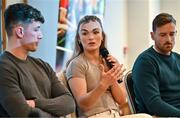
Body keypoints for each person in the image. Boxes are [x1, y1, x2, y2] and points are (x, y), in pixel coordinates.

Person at [66, 15, 152, 118]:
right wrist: (103, 84)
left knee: (146, 117)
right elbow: (83, 105)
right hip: (94, 116)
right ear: (79, 39)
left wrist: (113, 79)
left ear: (102, 37)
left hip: (115, 114)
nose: (91, 37)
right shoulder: (76, 64)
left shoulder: (108, 61)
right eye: (84, 33)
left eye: (96, 32)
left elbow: (121, 100)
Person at [0, 3, 75, 117]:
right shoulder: (3, 67)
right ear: (20, 32)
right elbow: (25, 114)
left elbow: (69, 103)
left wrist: (36, 103)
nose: (40, 36)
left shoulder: (43, 65)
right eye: (36, 29)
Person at [132, 13, 180, 117]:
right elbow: (153, 104)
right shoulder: (145, 62)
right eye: (163, 35)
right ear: (152, 36)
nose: (169, 39)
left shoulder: (178, 58)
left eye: (172, 34)